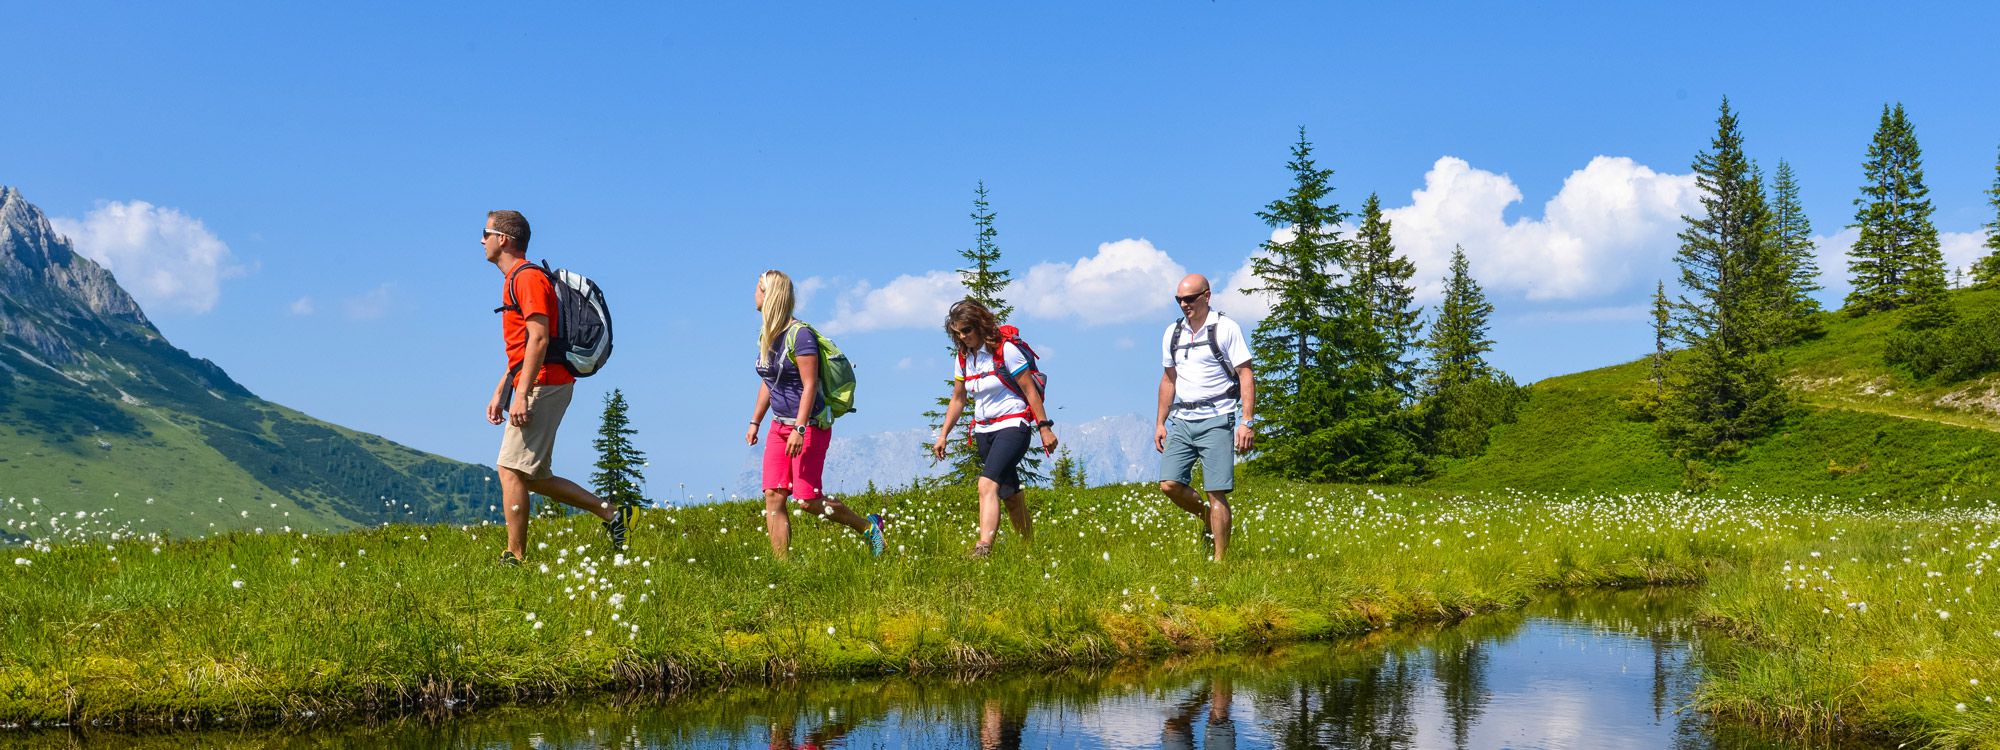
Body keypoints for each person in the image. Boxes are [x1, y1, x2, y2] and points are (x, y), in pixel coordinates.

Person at [482, 210, 627, 565]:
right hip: (538, 381)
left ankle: (515, 556)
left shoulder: (527, 278)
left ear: (504, 238)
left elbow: (540, 338)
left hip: (544, 383)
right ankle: (612, 514)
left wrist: (521, 393)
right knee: (533, 475)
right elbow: (521, 343)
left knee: (511, 470)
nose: (481, 240)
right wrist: (503, 387)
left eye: (485, 233)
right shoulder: (516, 279)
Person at [746, 270, 885, 560]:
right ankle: (781, 567)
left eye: (757, 290)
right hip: (778, 426)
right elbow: (768, 382)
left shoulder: (801, 335)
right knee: (773, 495)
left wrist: (799, 429)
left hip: (809, 426)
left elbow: (810, 385)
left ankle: (869, 528)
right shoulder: (766, 335)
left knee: (807, 501)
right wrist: (755, 421)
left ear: (769, 294)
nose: (753, 296)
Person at [932, 299, 1057, 557]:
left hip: (1013, 426)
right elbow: (958, 398)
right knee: (1010, 494)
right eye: (957, 332)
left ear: (979, 324)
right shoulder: (964, 358)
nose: (963, 336)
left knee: (986, 484)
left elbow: (1029, 390)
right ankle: (1030, 549)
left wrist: (1044, 427)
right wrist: (943, 434)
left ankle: (984, 547)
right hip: (984, 431)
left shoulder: (1005, 350)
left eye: (967, 330)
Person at [1156, 274, 1255, 562]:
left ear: (1207, 296)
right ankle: (1205, 517)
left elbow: (1246, 375)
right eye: (1179, 300)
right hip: (1183, 419)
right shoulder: (1171, 333)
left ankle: (1220, 562)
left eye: (1189, 299)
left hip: (1218, 417)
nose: (1183, 304)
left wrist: (1246, 421)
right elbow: (1168, 379)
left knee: (1216, 491)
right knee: (1169, 484)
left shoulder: (1226, 328)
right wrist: (1160, 422)